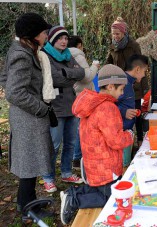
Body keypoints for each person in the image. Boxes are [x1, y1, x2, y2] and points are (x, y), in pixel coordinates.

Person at [59, 64, 134, 225]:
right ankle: (74, 199)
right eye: (121, 89)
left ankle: (70, 194)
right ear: (111, 86)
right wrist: (129, 135)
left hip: (93, 162)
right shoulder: (108, 108)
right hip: (106, 164)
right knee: (109, 197)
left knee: (100, 189)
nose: (122, 94)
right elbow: (115, 141)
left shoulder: (93, 103)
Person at [0, 13, 54, 218]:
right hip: (29, 117)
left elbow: (5, 79)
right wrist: (39, 107)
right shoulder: (22, 55)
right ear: (33, 35)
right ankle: (27, 209)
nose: (47, 35)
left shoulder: (24, 51)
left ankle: (29, 206)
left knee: (30, 164)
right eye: (44, 32)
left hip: (27, 116)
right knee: (29, 165)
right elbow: (14, 92)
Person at [42, 26, 85, 192]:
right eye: (60, 38)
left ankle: (66, 172)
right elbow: (53, 77)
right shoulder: (46, 55)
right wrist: (69, 74)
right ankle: (48, 178)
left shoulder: (68, 55)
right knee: (53, 144)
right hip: (56, 107)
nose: (64, 41)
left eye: (66, 38)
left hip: (72, 105)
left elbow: (81, 73)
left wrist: (66, 74)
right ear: (52, 39)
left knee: (70, 142)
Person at [106, 16, 148, 147]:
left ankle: (139, 139)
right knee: (122, 112)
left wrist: (142, 86)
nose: (115, 36)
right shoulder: (113, 46)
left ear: (124, 33)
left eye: (117, 34)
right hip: (118, 83)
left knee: (136, 113)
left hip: (134, 84)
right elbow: (109, 62)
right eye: (113, 34)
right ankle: (124, 140)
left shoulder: (133, 45)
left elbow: (140, 64)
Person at [68, 35, 100, 169]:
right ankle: (78, 157)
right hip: (83, 95)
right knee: (82, 127)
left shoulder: (65, 55)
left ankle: (75, 158)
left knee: (76, 126)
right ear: (79, 44)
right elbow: (87, 77)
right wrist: (95, 66)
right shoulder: (78, 55)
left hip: (73, 93)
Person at [117, 54, 149, 166]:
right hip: (119, 132)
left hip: (127, 130)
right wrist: (123, 112)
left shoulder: (129, 83)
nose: (144, 75)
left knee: (124, 163)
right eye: (144, 71)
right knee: (122, 165)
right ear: (137, 69)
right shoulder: (123, 84)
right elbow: (108, 104)